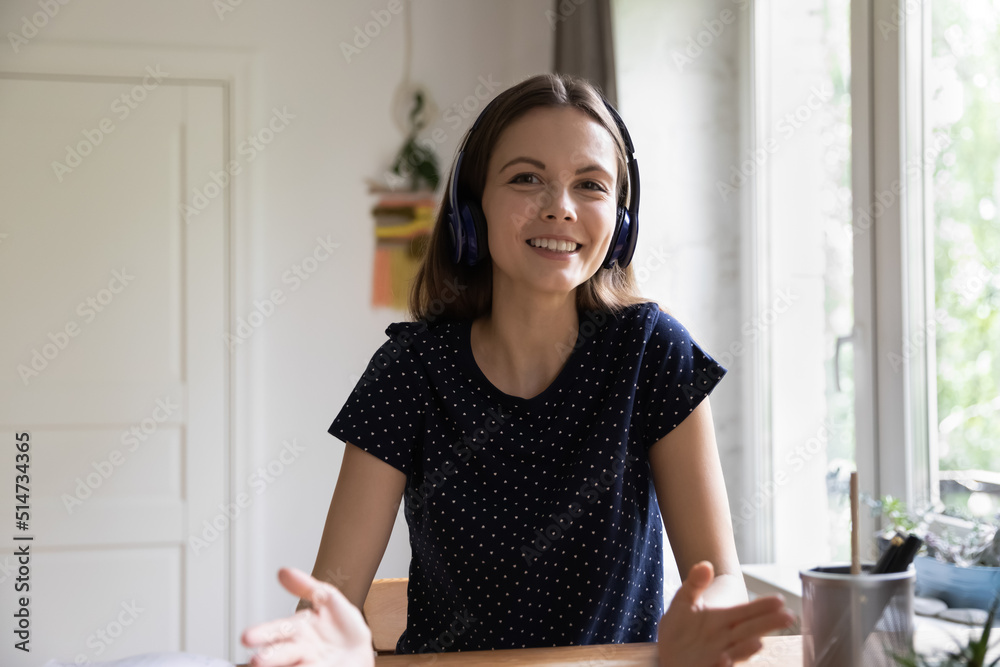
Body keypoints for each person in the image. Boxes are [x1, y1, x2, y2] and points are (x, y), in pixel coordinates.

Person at [241, 72, 794, 666]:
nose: (560, 208)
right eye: (527, 179)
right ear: (470, 209)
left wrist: (707, 624)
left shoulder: (652, 352)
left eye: (590, 185)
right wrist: (331, 647)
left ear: (621, 222)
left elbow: (719, 580)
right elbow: (331, 608)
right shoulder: (408, 370)